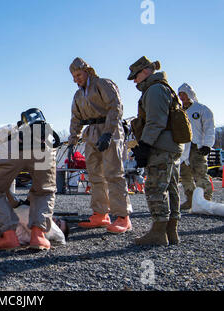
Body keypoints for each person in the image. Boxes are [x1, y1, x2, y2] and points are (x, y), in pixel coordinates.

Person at [67, 57, 132, 234]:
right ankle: (100, 213)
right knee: (95, 174)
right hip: (91, 132)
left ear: (87, 71)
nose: (76, 79)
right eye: (73, 76)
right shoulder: (78, 95)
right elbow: (76, 118)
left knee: (114, 173)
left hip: (109, 129)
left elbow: (115, 107)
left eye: (78, 74)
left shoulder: (103, 84)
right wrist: (73, 141)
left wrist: (109, 132)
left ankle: (123, 217)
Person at [0, 108, 60, 251]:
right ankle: (39, 236)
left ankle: (9, 237)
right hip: (45, 146)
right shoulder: (36, 129)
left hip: (13, 146)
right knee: (44, 191)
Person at [128, 56, 183, 246]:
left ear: (145, 72)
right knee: (170, 188)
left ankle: (159, 233)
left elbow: (155, 122)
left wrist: (144, 146)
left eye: (135, 76)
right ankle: (171, 231)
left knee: (155, 188)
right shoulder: (164, 88)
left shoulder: (154, 90)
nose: (134, 81)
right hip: (170, 147)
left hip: (160, 147)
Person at [177, 83, 215, 212]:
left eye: (184, 94)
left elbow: (209, 128)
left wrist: (207, 145)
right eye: (180, 94)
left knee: (200, 173)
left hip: (197, 146)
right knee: (185, 174)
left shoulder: (201, 109)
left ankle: (205, 200)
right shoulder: (179, 111)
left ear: (190, 93)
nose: (182, 97)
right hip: (182, 148)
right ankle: (190, 199)